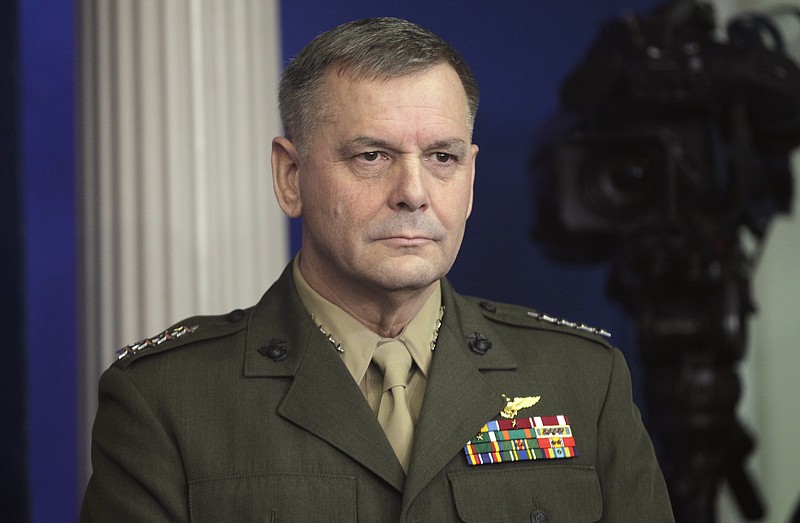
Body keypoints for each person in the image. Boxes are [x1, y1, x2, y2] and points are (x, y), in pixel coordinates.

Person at [80, 17, 674, 522]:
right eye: (372, 156)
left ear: (469, 179)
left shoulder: (584, 380)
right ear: (291, 177)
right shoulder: (165, 400)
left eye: (441, 158)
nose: (413, 192)